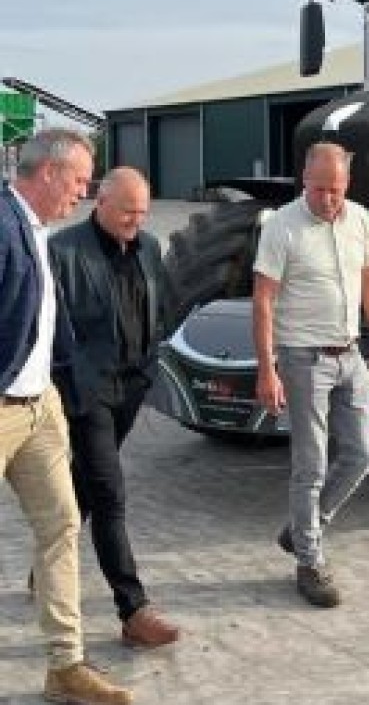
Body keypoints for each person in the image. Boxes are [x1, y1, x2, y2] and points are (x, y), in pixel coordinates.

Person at [0, 129, 133, 705]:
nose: (83, 192)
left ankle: (65, 666)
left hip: (41, 411)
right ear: (49, 173)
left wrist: (65, 390)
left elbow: (47, 323)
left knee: (61, 526)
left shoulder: (37, 231)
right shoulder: (3, 228)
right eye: (80, 180)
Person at [252, 142, 369, 608]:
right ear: (304, 181)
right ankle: (309, 562)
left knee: (361, 455)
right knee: (310, 465)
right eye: (317, 189)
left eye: (334, 190)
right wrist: (267, 368)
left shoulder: (358, 221)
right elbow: (264, 300)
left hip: (350, 353)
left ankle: (302, 529)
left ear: (347, 185)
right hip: (302, 358)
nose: (327, 199)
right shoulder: (281, 228)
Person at [49, 167, 180, 649]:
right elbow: (54, 330)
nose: (135, 221)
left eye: (143, 212)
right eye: (127, 211)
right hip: (88, 393)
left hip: (132, 385)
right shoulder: (63, 251)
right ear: (99, 202)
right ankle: (133, 609)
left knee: (85, 482)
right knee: (110, 493)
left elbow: (158, 304)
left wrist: (151, 363)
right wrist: (70, 388)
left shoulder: (148, 246)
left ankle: (46, 564)